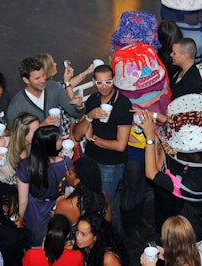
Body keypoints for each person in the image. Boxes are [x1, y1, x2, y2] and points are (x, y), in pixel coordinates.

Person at [138, 94, 202, 265]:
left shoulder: (184, 184)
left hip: (185, 237)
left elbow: (151, 173)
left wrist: (150, 137)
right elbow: (192, 126)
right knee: (200, 252)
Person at [74, 64, 132, 230]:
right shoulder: (93, 100)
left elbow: (121, 146)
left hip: (111, 165)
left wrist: (94, 140)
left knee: (104, 204)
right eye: (100, 83)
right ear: (93, 82)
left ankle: (113, 240)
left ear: (114, 80)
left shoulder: (122, 104)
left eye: (108, 81)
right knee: (89, 199)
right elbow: (78, 135)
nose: (104, 86)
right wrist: (89, 116)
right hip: (90, 159)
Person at [17, 125, 72, 246]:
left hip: (34, 210)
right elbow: (67, 192)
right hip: (57, 207)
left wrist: (19, 218)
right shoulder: (66, 163)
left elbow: (22, 201)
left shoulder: (25, 165)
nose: (62, 138)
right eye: (58, 138)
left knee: (36, 244)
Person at [7, 56, 85, 126]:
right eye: (37, 78)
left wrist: (79, 106)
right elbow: (18, 138)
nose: (42, 80)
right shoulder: (16, 107)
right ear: (26, 80)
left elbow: (74, 112)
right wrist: (41, 127)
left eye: (43, 75)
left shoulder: (54, 87)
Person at [35, 53, 94, 138]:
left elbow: (66, 85)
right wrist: (67, 82)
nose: (56, 64)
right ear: (47, 69)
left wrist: (86, 72)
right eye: (53, 63)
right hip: (63, 132)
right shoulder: (53, 88)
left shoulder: (45, 86)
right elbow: (72, 106)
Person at [0, 112, 40, 191]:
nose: (39, 134)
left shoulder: (34, 147)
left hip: (15, 194)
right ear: (23, 132)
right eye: (35, 132)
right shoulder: (3, 143)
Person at [0, 182, 30, 266]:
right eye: (15, 203)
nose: (17, 206)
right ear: (5, 208)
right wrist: (18, 229)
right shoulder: (15, 237)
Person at [54, 157, 111, 224]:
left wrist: (56, 207)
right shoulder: (102, 195)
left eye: (69, 173)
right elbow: (107, 220)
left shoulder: (66, 205)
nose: (66, 173)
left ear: (77, 181)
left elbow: (56, 227)